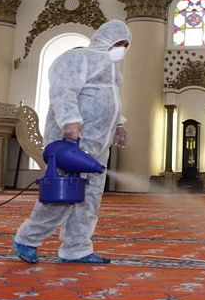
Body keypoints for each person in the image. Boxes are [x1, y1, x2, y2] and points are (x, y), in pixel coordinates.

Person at [13, 19, 131, 264]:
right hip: (73, 144)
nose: (122, 48)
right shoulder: (79, 58)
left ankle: (77, 249)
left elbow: (109, 101)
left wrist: (119, 124)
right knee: (61, 196)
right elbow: (63, 90)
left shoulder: (112, 70)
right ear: (105, 40)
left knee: (89, 201)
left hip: (98, 147)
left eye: (125, 44)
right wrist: (70, 120)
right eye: (119, 43)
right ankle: (27, 239)